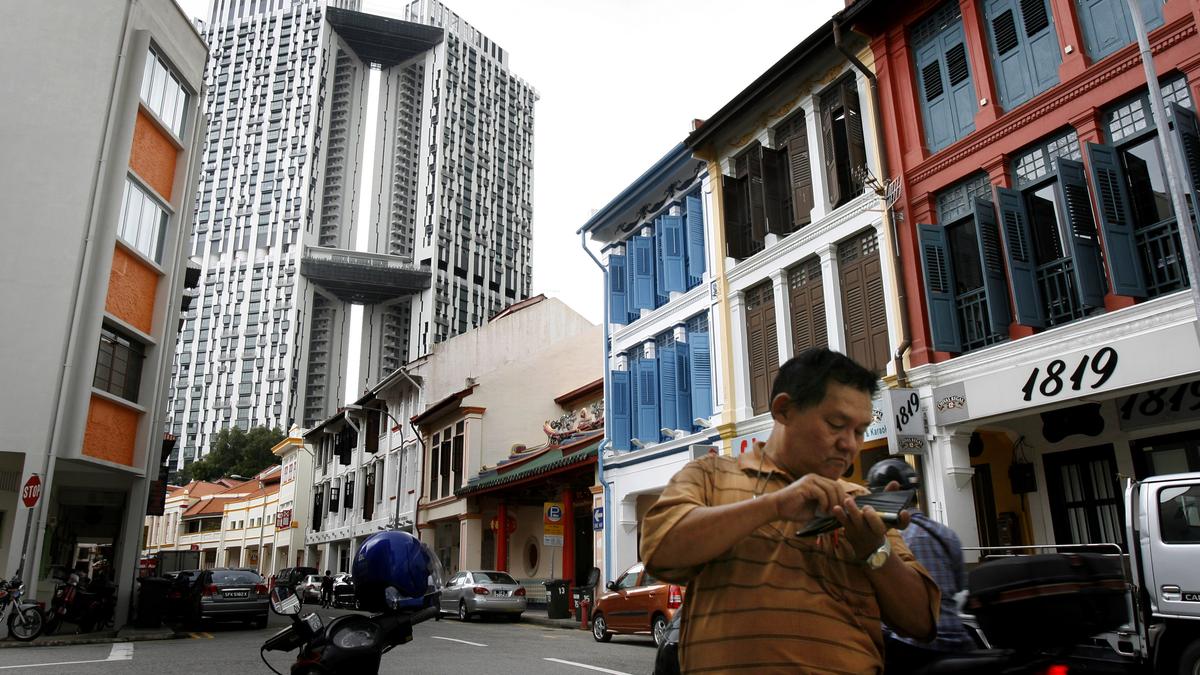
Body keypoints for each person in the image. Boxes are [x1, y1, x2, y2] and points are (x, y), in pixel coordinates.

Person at [641, 348, 940, 673]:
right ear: (784, 409)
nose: (850, 444)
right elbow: (659, 549)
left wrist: (875, 550)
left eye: (859, 431)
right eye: (836, 424)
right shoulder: (711, 476)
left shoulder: (859, 503)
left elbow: (921, 623)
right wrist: (775, 505)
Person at [867, 458, 975, 671]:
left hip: (912, 645)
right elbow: (960, 587)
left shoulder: (891, 537)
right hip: (957, 640)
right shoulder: (945, 534)